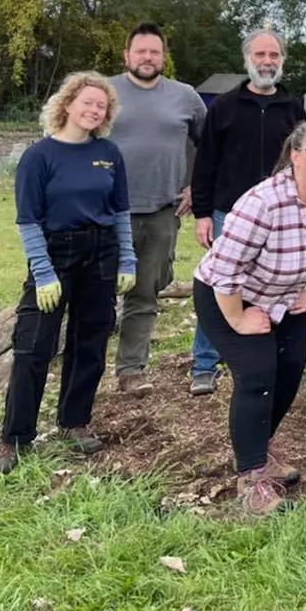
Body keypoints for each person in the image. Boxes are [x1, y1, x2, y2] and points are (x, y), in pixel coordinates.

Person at [193, 121, 306, 515]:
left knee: (287, 375)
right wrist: (238, 320)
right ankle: (251, 479)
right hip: (228, 296)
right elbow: (227, 270)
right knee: (257, 375)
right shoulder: (263, 202)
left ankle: (260, 451)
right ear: (295, 155)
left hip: (287, 298)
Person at [0, 72, 137, 474]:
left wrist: (127, 260)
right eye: (87, 102)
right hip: (55, 253)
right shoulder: (39, 156)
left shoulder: (110, 153)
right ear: (67, 104)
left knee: (89, 343)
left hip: (101, 253)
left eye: (101, 106)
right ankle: (15, 438)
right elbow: (27, 220)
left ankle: (74, 421)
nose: (94, 110)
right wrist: (43, 273)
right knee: (34, 347)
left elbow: (121, 212)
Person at [188, 29, 306, 396]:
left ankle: (259, 353)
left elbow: (303, 165)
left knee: (272, 285)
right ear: (247, 60)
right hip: (230, 215)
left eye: (274, 55)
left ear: (282, 61)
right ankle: (205, 363)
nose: (267, 62)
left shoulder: (293, 109)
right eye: (260, 55)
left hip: (281, 216)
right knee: (220, 285)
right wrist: (203, 213)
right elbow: (204, 163)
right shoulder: (223, 106)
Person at [108, 23, 207, 394]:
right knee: (99, 292)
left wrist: (196, 186)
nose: (147, 58)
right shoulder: (105, 92)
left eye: (154, 52)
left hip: (163, 211)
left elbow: (207, 144)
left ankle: (130, 371)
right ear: (126, 55)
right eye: (140, 51)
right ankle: (80, 365)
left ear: (164, 57)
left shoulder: (185, 97)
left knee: (146, 291)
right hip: (107, 212)